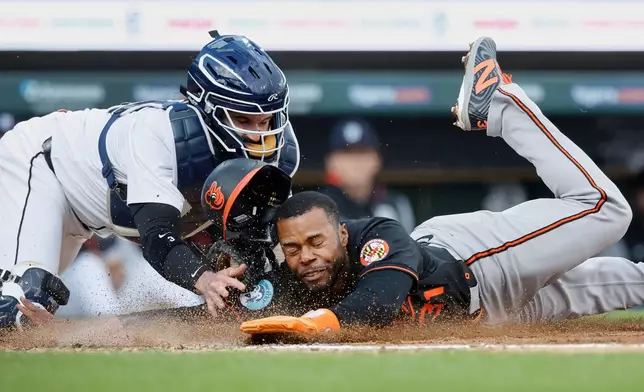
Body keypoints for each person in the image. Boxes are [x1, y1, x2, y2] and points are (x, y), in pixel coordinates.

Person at [238, 36, 644, 337]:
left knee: (606, 208)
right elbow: (239, 311)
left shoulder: (377, 237)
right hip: (486, 315)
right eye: (293, 249)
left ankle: (500, 102)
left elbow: (380, 299)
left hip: (481, 262)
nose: (306, 256)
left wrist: (319, 324)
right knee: (612, 285)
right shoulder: (297, 279)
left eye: (316, 242)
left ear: (341, 233)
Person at [0, 30, 300, 329]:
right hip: (42, 167)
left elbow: (254, 244)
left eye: (266, 120)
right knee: (18, 308)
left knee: (34, 317)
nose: (257, 134)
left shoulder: (279, 152)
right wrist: (205, 279)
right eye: (242, 119)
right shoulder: (158, 135)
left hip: (86, 214)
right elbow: (158, 239)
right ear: (206, 109)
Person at [320, 118, 415, 233]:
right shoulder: (318, 207)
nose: (356, 162)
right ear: (331, 162)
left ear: (377, 160)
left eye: (363, 153)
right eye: (347, 154)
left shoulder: (396, 203)